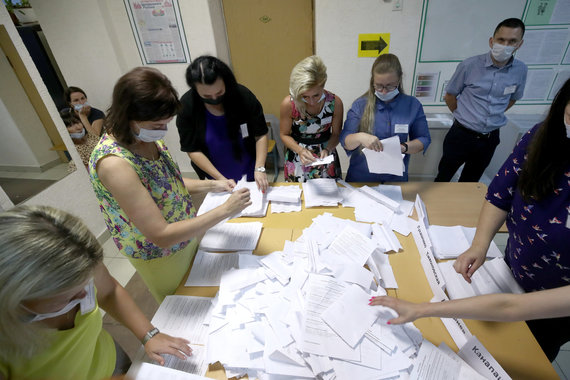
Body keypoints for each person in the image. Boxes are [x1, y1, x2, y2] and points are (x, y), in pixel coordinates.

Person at [376, 78, 570, 361]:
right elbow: (500, 193)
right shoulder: (544, 137)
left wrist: (419, 310)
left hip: (553, 306)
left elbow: (510, 308)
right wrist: (479, 245)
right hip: (512, 269)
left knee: (528, 356)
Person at [89, 67, 251, 303]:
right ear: (130, 116)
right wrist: (225, 210)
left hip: (184, 232)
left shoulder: (143, 136)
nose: (162, 131)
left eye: (165, 124)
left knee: (201, 287)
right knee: (184, 302)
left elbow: (165, 185)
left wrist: (212, 185)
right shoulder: (114, 163)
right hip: (158, 252)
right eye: (157, 126)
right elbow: (161, 236)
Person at [0, 205, 192, 380]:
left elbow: (109, 292)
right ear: (15, 298)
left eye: (88, 284)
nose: (86, 295)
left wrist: (149, 334)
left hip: (109, 359)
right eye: (70, 297)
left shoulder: (80, 264)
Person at [434, 18, 527, 182]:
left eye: (512, 41)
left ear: (519, 44)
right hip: (461, 134)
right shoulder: (469, 65)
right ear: (492, 41)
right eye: (501, 40)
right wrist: (464, 115)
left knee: (470, 181)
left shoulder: (520, 70)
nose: (505, 45)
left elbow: (512, 99)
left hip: (489, 138)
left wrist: (491, 116)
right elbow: (450, 96)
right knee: (444, 176)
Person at [176, 56, 269, 192]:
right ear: (195, 90)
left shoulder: (242, 96)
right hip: (215, 177)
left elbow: (260, 134)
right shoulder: (187, 106)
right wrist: (219, 179)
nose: (215, 99)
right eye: (207, 96)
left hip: (250, 170)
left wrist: (259, 167)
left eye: (219, 92)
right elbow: (192, 149)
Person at [340, 53, 430, 182]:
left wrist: (404, 147)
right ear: (373, 82)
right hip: (361, 178)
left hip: (395, 179)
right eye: (379, 85)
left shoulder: (412, 105)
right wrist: (360, 137)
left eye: (390, 86)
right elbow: (345, 140)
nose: (384, 91)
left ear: (399, 81)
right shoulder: (360, 105)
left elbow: (424, 139)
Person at [279, 55, 343, 182]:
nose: (312, 101)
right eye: (305, 96)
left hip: (325, 155)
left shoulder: (335, 103)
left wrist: (328, 149)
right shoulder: (289, 104)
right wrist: (300, 150)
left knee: (329, 198)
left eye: (316, 95)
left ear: (323, 85)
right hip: (298, 155)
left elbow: (336, 134)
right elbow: (284, 134)